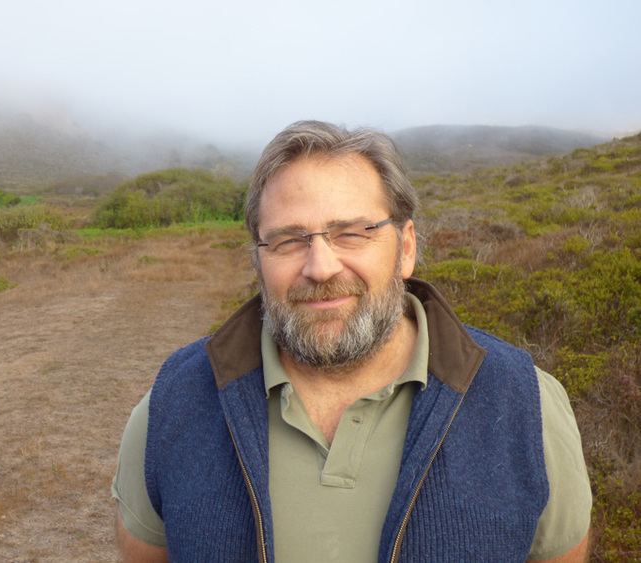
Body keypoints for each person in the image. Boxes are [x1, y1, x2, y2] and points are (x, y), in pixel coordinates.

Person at [112, 121, 592, 562]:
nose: (320, 267)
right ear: (258, 259)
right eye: (287, 240)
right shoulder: (172, 404)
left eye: (352, 234)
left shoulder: (529, 405)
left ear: (406, 248)